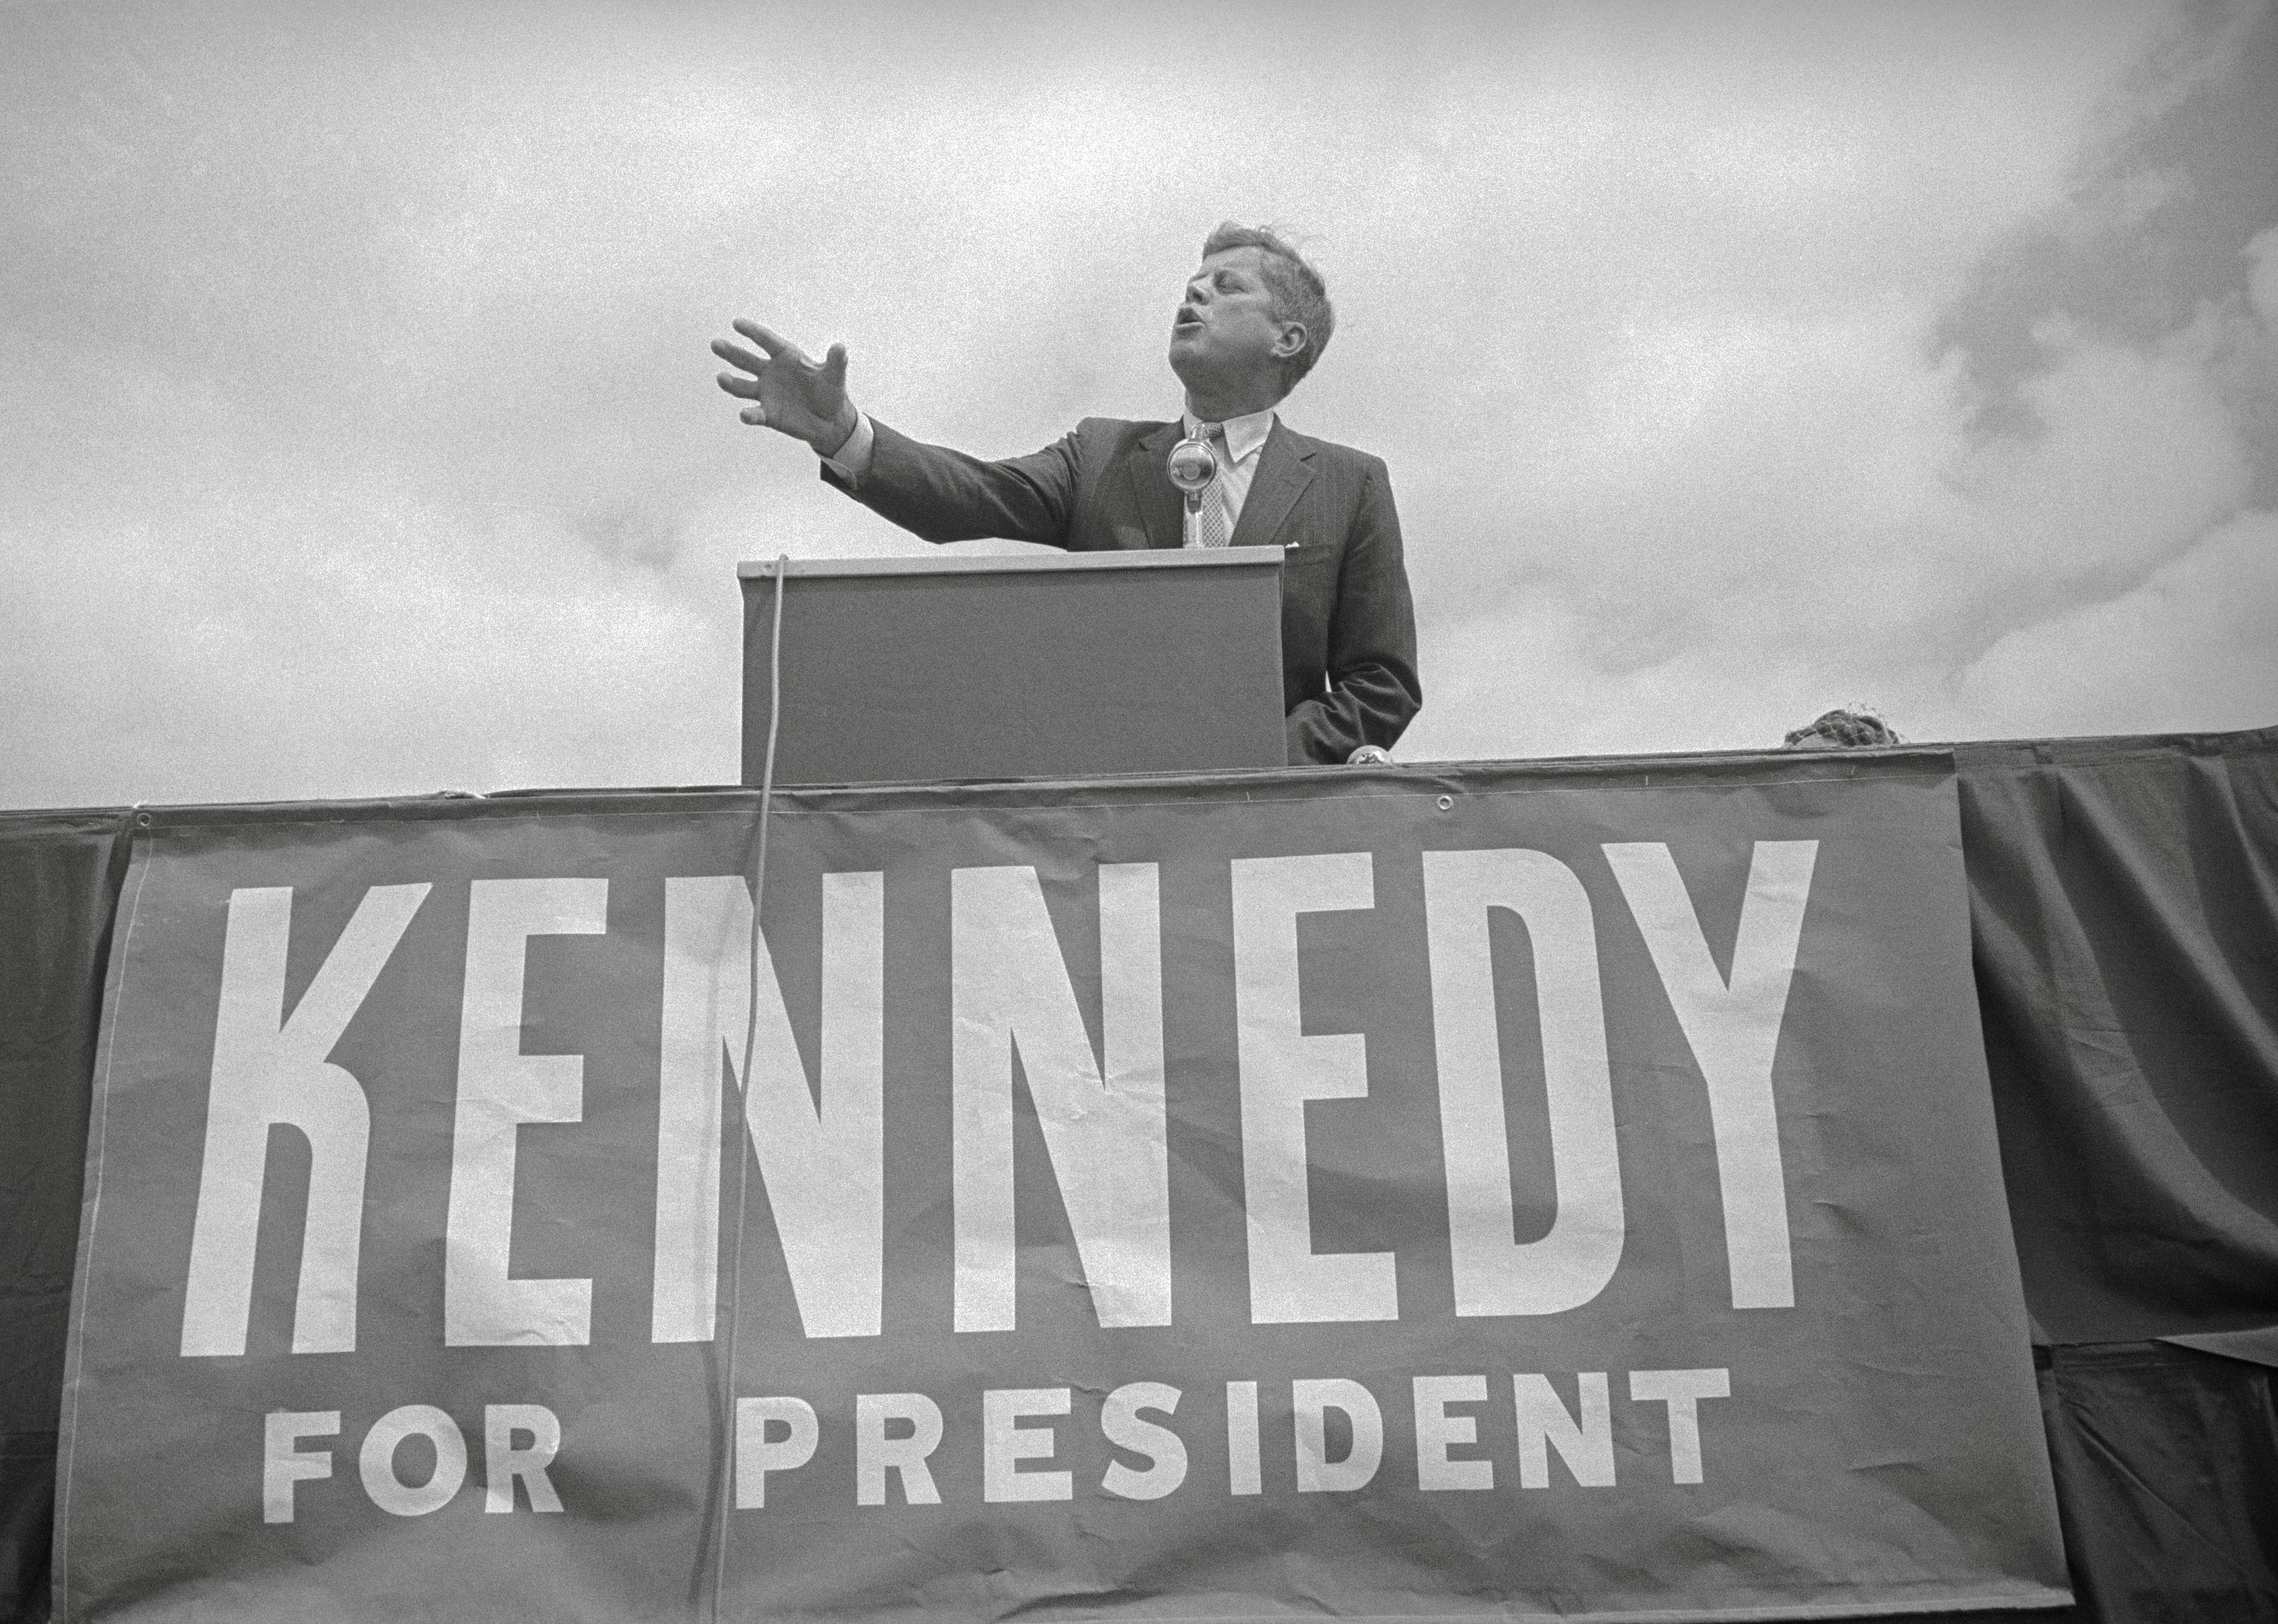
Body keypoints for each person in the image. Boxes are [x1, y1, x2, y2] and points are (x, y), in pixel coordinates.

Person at [711, 223, 1421, 766]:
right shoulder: (1103, 455)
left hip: (1262, 826)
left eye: (1228, 286)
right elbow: (971, 496)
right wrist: (845, 434)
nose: (1194, 293)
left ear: (1286, 338)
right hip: (1098, 816)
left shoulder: (1348, 483)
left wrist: (1253, 757)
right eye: (1191, 283)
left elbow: (1380, 683)